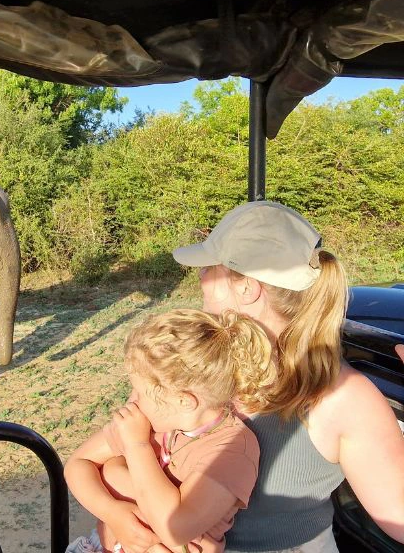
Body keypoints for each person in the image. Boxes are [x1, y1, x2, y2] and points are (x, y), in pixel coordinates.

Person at [97, 200, 404, 553]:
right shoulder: (198, 362)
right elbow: (115, 454)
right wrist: (124, 517)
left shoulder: (342, 398)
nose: (200, 275)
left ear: (246, 287)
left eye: (210, 266)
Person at [65, 308, 277, 553]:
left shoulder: (232, 451)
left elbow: (173, 526)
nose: (131, 400)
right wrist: (114, 514)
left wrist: (135, 449)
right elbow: (78, 463)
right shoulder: (150, 421)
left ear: (183, 401)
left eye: (140, 393)